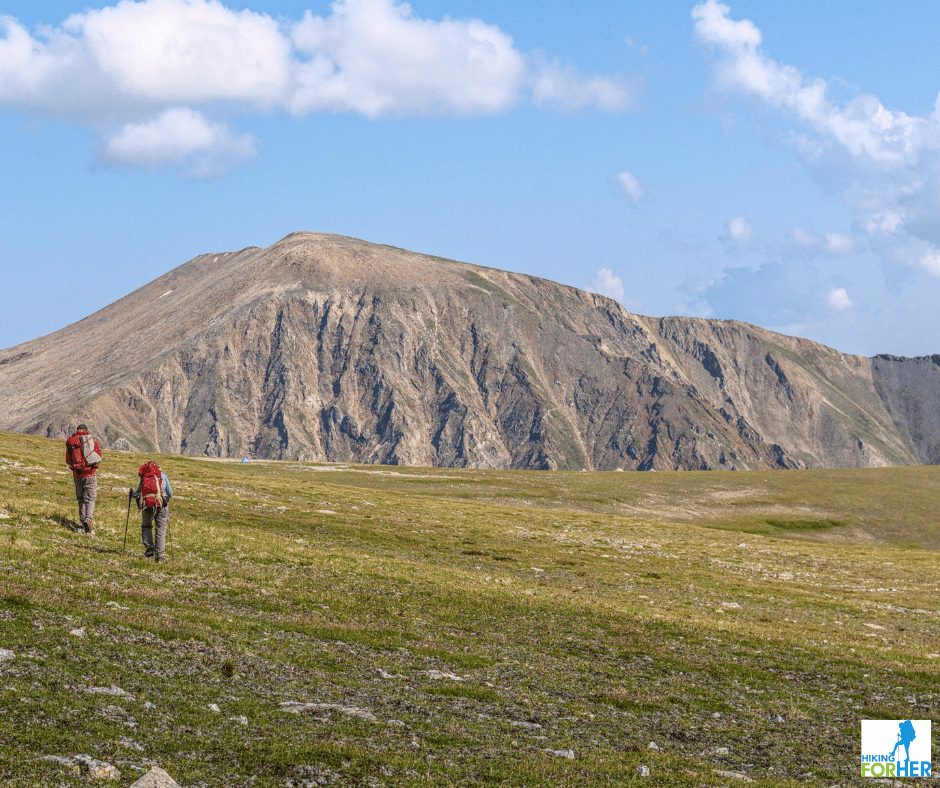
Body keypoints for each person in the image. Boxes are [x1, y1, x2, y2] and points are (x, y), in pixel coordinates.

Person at [65, 423, 102, 533]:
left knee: (80, 498)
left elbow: (68, 460)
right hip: (90, 474)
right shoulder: (92, 441)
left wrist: (75, 467)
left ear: (77, 430)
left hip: (77, 475)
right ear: (86, 430)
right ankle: (88, 520)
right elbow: (98, 457)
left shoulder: (71, 441)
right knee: (90, 499)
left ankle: (82, 521)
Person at [133, 461, 173, 562]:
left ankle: (149, 548)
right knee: (160, 530)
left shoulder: (144, 477)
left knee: (146, 526)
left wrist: (132, 493)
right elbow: (170, 493)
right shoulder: (163, 476)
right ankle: (159, 557)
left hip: (147, 505)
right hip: (161, 505)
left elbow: (138, 492)